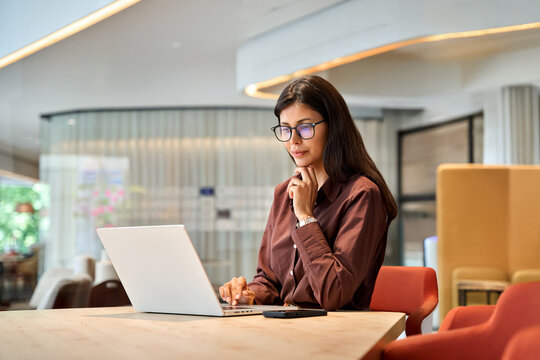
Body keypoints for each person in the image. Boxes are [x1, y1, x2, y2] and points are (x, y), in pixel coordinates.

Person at [219, 75, 397, 311]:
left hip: (342, 335)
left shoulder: (362, 194)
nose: (293, 140)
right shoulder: (283, 193)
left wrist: (305, 217)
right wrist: (248, 295)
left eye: (305, 127)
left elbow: (334, 293)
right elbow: (269, 280)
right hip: (288, 329)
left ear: (333, 126)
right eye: (285, 129)